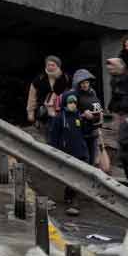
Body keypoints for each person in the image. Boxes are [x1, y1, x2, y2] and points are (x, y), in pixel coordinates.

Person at [49, 82, 94, 216]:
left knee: (77, 176)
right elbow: (54, 137)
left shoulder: (78, 117)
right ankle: (71, 197)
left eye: (74, 102)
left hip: (79, 151)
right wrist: (55, 152)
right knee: (70, 176)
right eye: (70, 102)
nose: (73, 105)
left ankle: (73, 198)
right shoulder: (59, 118)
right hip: (65, 152)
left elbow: (85, 132)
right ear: (64, 103)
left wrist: (89, 119)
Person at [26, 55, 70, 133]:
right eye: (48, 65)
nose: (50, 67)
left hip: (60, 112)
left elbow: (71, 95)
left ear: (58, 66)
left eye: (53, 65)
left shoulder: (65, 78)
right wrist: (31, 112)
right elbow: (32, 97)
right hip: (43, 113)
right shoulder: (39, 79)